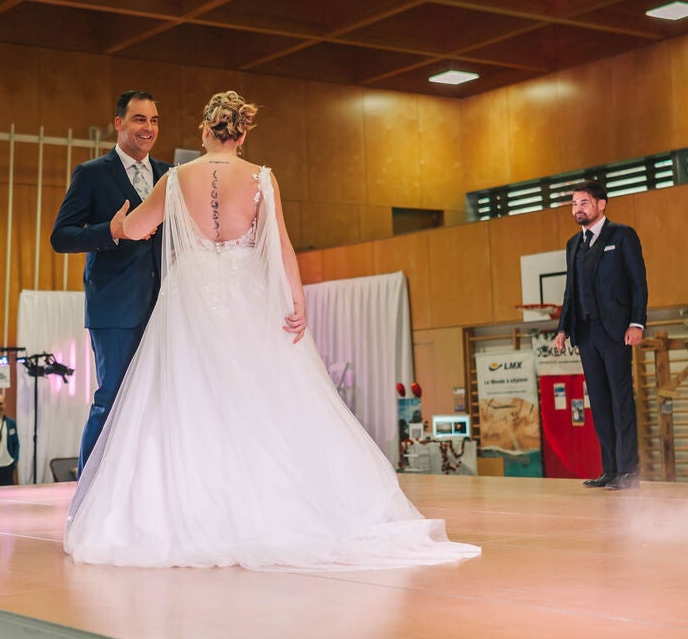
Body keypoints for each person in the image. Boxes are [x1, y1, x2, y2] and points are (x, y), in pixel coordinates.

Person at [64, 91, 480, 571]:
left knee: (186, 401)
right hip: (247, 301)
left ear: (205, 130)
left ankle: (191, 508)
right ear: (242, 134)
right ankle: (265, 507)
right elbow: (280, 244)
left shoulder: (176, 178)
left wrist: (116, 224)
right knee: (258, 398)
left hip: (188, 304)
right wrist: (296, 299)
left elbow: (136, 230)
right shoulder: (260, 178)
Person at [50, 91, 171, 475]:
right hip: (115, 307)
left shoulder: (170, 175)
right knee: (113, 398)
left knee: (161, 402)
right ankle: (89, 489)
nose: (148, 128)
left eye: (154, 120)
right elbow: (61, 236)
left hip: (165, 308)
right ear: (118, 123)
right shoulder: (92, 174)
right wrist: (111, 231)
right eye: (139, 119)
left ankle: (143, 485)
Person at [552, 180, 647, 491]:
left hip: (616, 331)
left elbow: (638, 284)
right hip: (586, 334)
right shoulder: (573, 245)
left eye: (584, 203)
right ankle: (610, 469)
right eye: (574, 204)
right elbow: (570, 291)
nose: (577, 209)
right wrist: (563, 328)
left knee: (621, 401)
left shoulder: (622, 236)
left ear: (601, 204)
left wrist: (636, 323)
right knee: (600, 404)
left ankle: (628, 472)